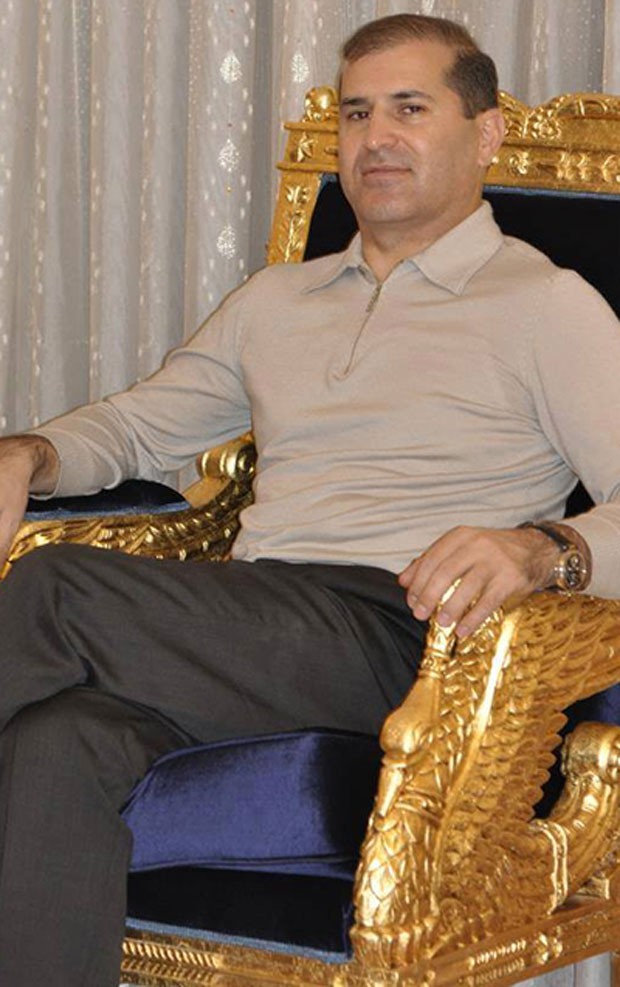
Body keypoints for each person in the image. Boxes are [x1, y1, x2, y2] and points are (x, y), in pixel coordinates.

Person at [0, 12, 618, 986]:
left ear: (485, 133)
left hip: (406, 636)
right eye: (358, 113)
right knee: (58, 741)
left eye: (410, 109)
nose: (376, 138)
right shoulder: (276, 301)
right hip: (243, 629)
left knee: (57, 589)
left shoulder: (543, 305)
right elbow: (137, 427)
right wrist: (31, 455)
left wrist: (546, 548)